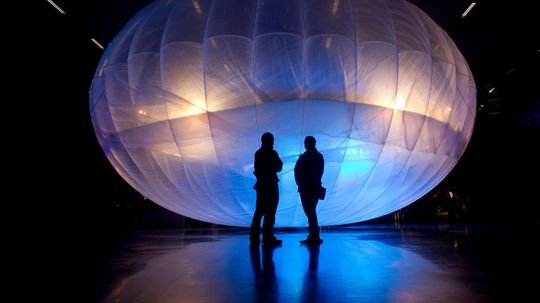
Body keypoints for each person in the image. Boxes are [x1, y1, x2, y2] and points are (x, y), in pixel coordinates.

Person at [250, 132, 283, 246]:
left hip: (263, 185)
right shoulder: (272, 153)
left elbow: (259, 169)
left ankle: (255, 236)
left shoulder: (258, 153)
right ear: (268, 141)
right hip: (270, 185)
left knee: (261, 211)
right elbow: (279, 167)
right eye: (272, 140)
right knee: (269, 211)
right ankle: (267, 236)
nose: (273, 142)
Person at [294, 136, 324, 245]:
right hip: (313, 187)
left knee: (309, 211)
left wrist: (300, 183)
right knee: (311, 211)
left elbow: (297, 171)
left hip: (306, 188)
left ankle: (313, 236)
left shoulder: (303, 157)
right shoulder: (318, 156)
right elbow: (319, 172)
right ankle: (314, 235)